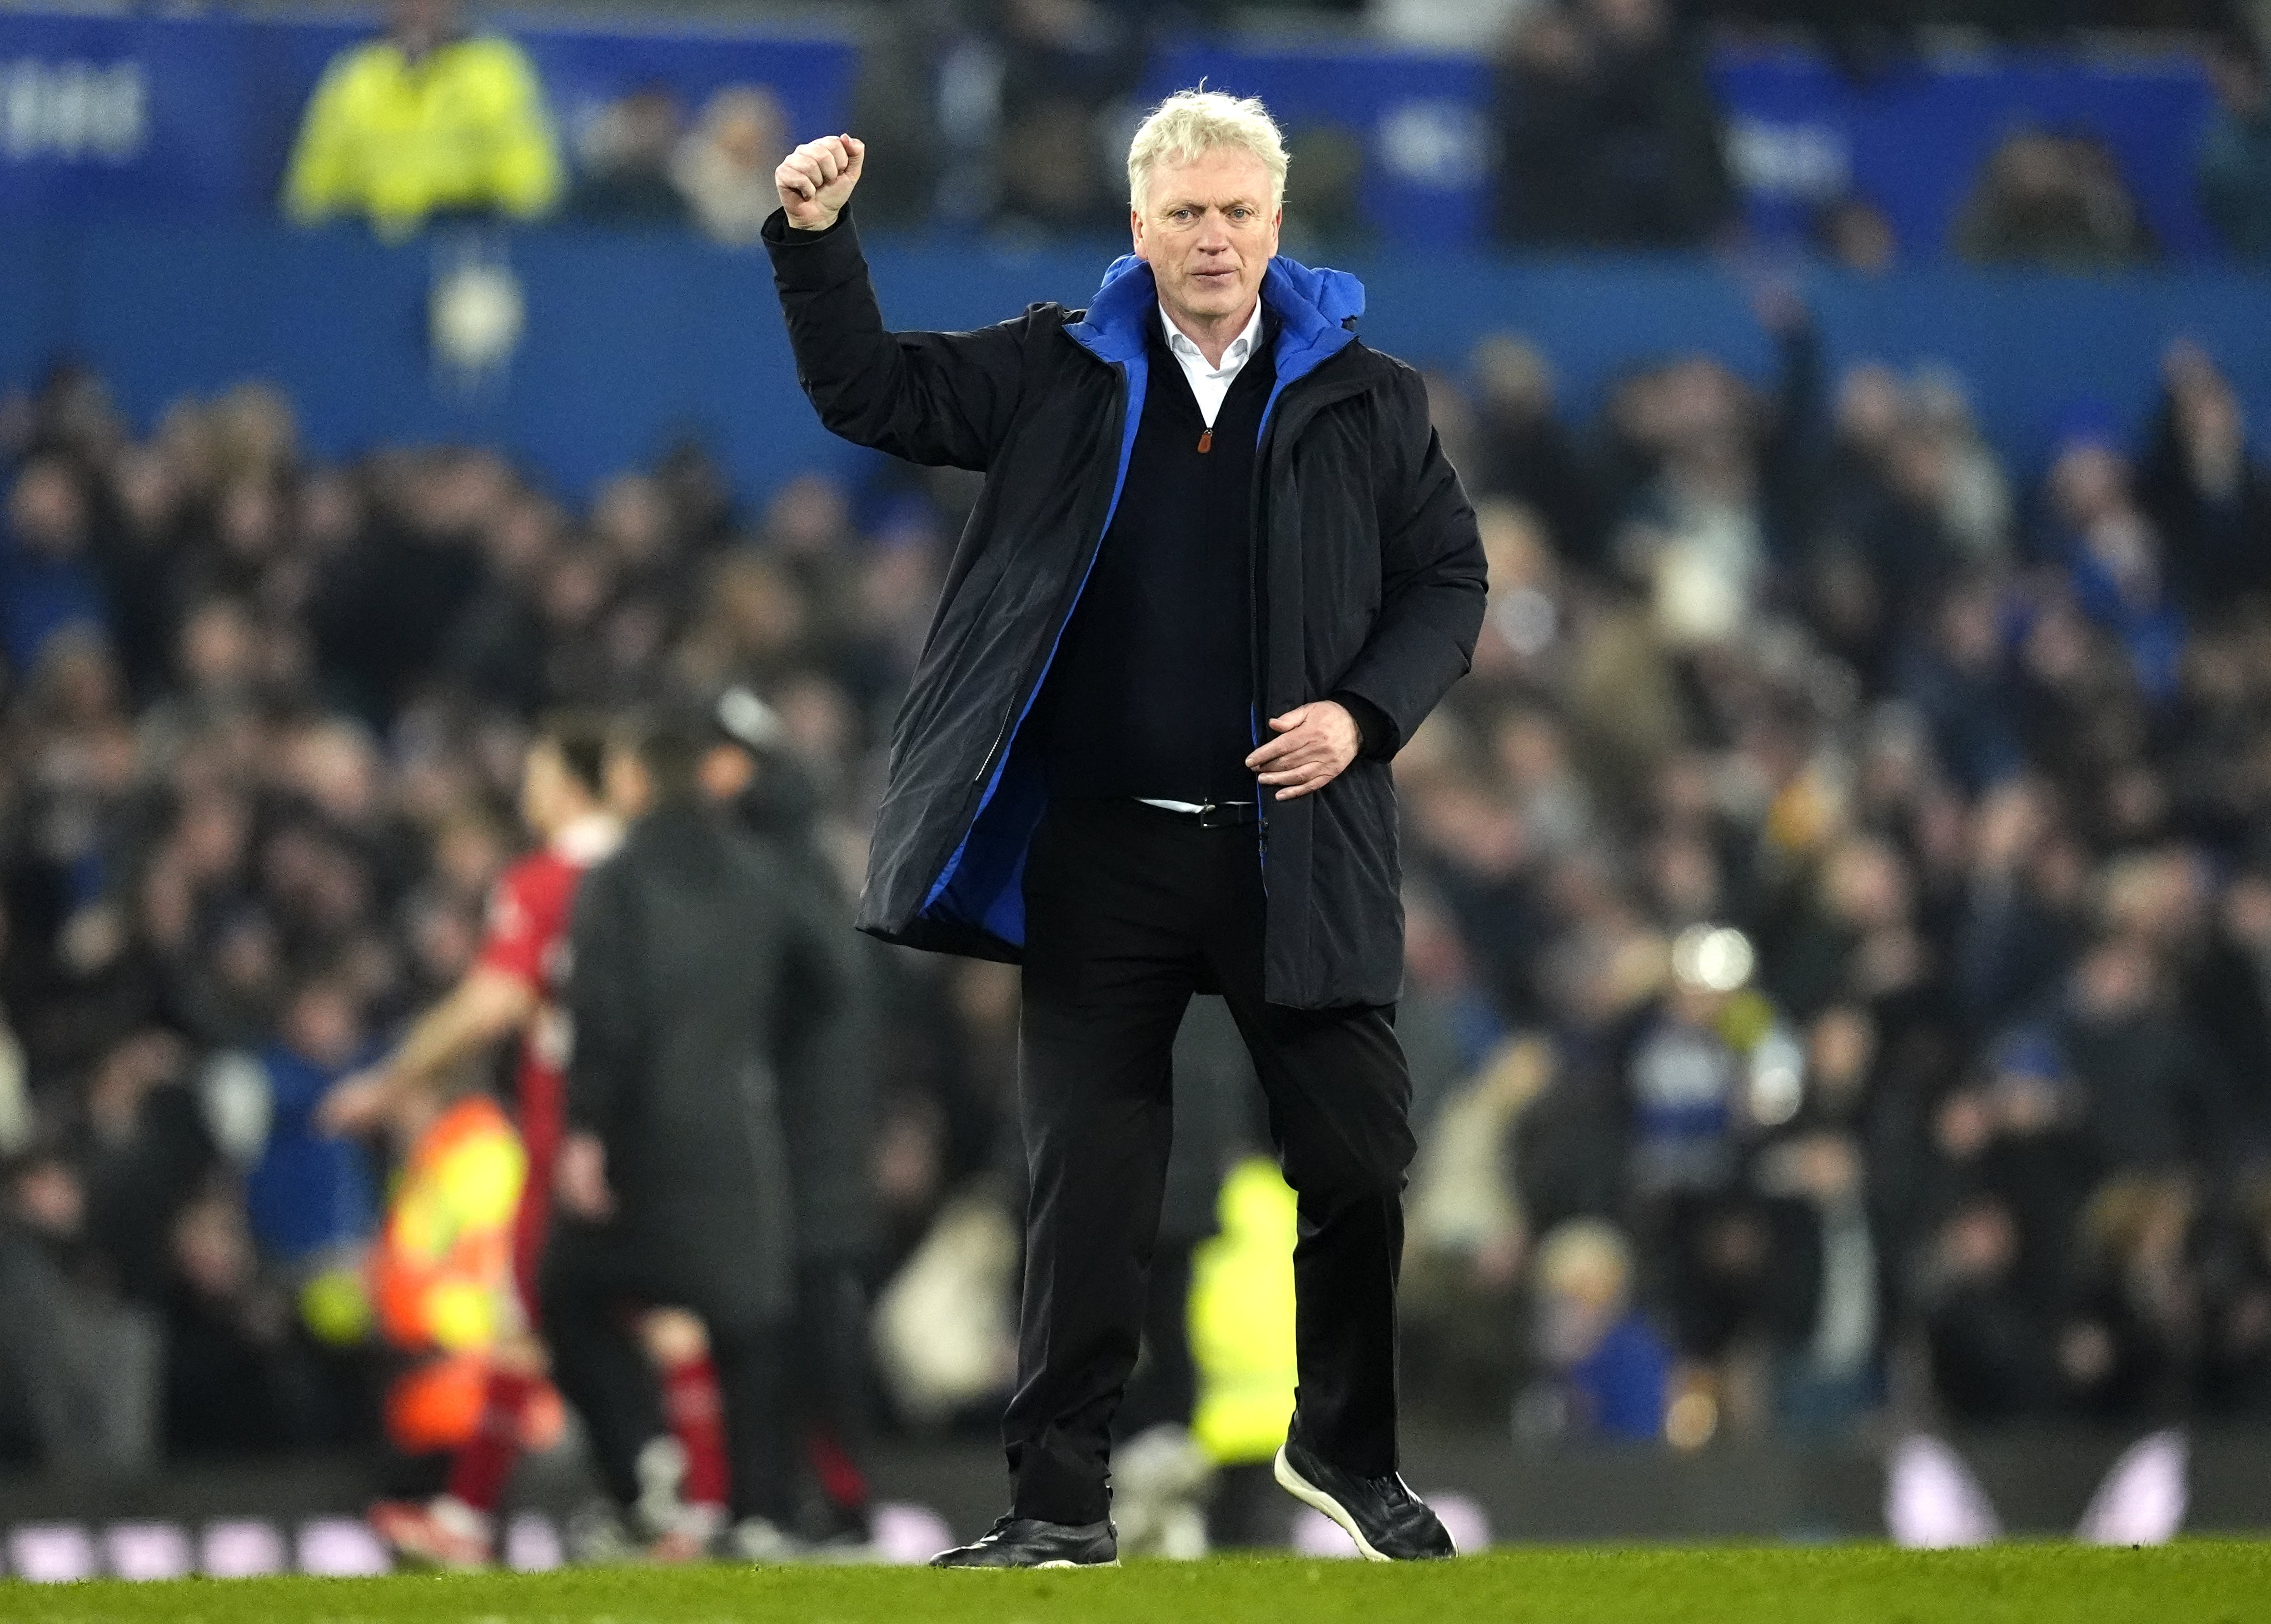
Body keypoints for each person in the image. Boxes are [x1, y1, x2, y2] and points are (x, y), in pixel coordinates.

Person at [765, 87, 1486, 1566]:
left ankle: (1340, 1446)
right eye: (1184, 213)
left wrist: (1361, 715)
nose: (1211, 237)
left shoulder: (1373, 396)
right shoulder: (1056, 368)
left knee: (1357, 1154)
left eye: (1234, 212)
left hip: (1294, 842)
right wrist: (814, 241)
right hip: (1104, 846)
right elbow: (872, 398)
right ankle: (1056, 1502)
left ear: (1275, 224)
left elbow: (1449, 587)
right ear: (1136, 226)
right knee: (1085, 1178)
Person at [320, 716, 726, 1566]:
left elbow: (493, 1000)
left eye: (537, 775)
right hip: (673, 1126)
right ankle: (673, 1502)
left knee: (557, 1313)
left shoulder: (549, 881)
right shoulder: (668, 874)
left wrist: (391, 1081)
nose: (525, 792)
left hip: (568, 1133)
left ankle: (677, 1505)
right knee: (624, 1311)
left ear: (571, 786)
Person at [542, 713, 846, 1561]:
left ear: (637, 781)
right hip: (737, 1132)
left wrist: (587, 1130)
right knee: (748, 1327)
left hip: (642, 1136)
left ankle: (643, 1465)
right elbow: (830, 979)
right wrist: (760, 1055)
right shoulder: (759, 872)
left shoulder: (616, 879)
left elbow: (602, 1011)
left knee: (567, 1294)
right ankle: (756, 1511)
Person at [283, 0, 562, 241]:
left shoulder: (493, 72)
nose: (418, 9)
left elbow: (531, 188)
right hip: (365, 249)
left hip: (460, 245)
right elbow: (310, 196)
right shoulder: (355, 76)